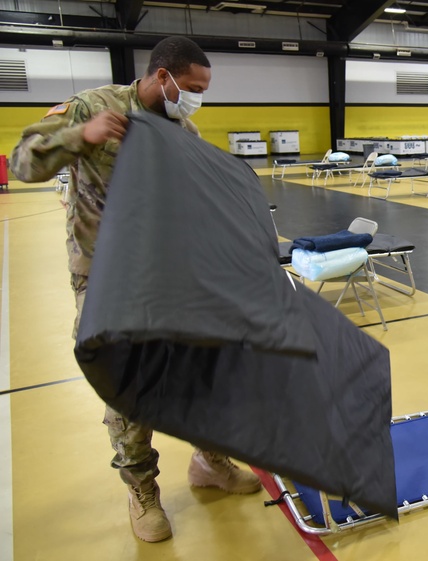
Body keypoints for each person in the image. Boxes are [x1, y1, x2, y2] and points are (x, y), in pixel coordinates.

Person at [11, 36, 261, 544]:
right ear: (161, 75)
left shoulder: (181, 127)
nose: (195, 98)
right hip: (104, 272)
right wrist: (81, 135)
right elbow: (22, 163)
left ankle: (209, 460)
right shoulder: (94, 107)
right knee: (126, 379)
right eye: (191, 87)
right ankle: (142, 488)